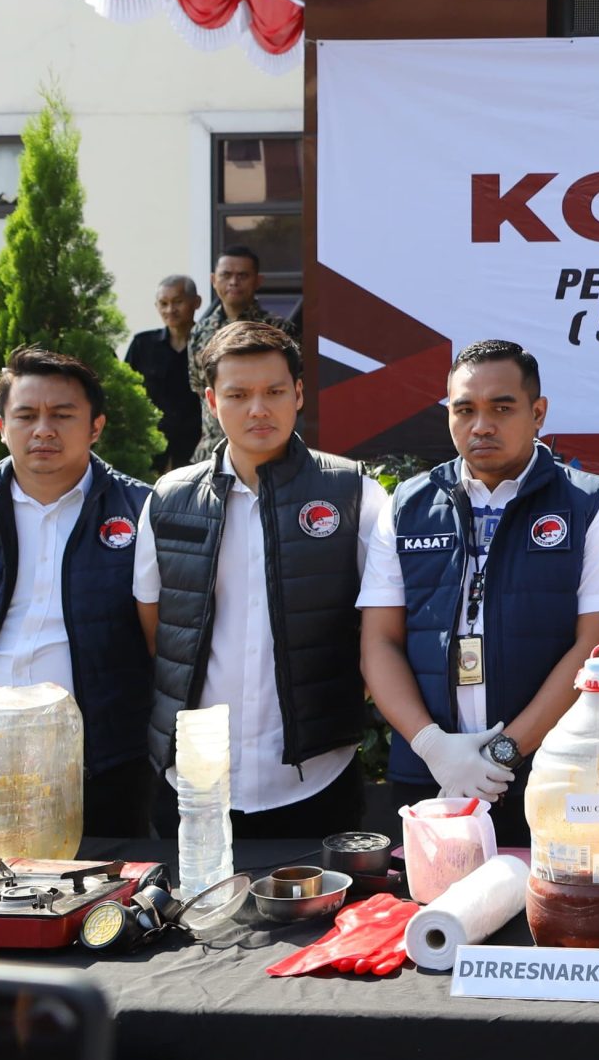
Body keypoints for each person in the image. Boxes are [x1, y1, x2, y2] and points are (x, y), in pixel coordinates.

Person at [137, 321, 405, 839]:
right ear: (212, 401)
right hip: (194, 782)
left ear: (298, 394)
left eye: (274, 392)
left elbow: (383, 624)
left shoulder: (354, 493)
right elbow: (155, 625)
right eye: (238, 395)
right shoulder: (169, 499)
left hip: (316, 777)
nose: (258, 409)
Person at [368, 340, 599, 849]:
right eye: (464, 409)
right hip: (432, 776)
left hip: (555, 774)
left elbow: (597, 647)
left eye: (502, 408)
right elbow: (379, 642)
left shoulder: (590, 506)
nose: (481, 425)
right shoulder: (406, 506)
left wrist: (502, 754)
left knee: (552, 902)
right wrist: (433, 747)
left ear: (538, 413)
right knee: (432, 900)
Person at [0, 348, 157, 835]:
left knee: (101, 875)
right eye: (26, 416)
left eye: (62, 415)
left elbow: (156, 635)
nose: (43, 430)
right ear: (2, 427)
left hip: (100, 756)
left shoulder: (140, 510)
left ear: (96, 426)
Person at [186, 247, 299, 461]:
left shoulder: (277, 329)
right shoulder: (199, 331)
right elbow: (199, 388)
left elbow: (290, 390)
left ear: (258, 281)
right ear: (213, 280)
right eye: (226, 275)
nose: (233, 282)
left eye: (242, 276)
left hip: (267, 446)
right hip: (211, 449)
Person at [124, 275, 203, 476]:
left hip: (197, 446)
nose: (170, 310)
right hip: (150, 445)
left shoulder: (209, 344)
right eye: (163, 303)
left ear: (196, 302)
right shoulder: (142, 344)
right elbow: (127, 391)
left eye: (178, 302)